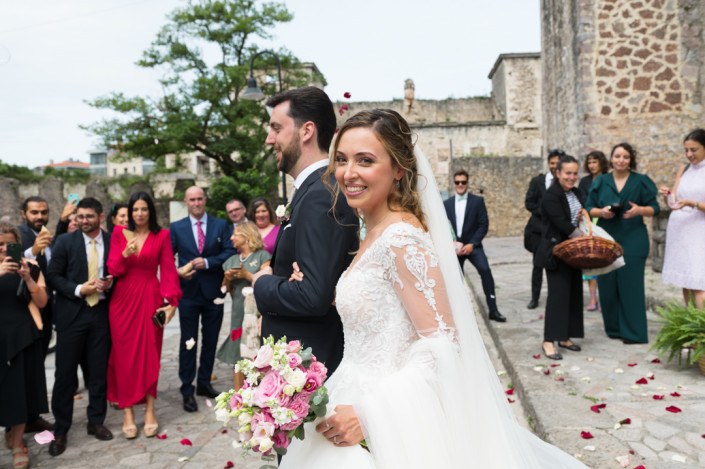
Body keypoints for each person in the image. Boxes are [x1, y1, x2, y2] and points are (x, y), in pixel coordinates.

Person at [280, 109, 586, 468]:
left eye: (365, 160)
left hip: (386, 416)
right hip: (347, 391)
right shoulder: (370, 232)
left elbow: (442, 345)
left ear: (398, 170)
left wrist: (371, 415)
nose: (349, 173)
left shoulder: (401, 239)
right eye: (343, 160)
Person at [252, 86, 358, 378]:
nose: (269, 139)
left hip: (314, 368)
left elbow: (313, 295)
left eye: (276, 128)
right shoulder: (310, 191)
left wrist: (262, 282)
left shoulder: (320, 196)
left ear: (306, 130)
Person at [107, 192, 181, 438]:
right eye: (135, 209)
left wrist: (171, 302)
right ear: (130, 212)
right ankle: (127, 412)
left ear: (151, 211)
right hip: (122, 301)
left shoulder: (162, 235)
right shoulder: (119, 233)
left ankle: (150, 409)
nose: (139, 214)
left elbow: (169, 270)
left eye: (144, 209)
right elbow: (113, 269)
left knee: (151, 353)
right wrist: (125, 254)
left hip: (150, 297)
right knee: (124, 357)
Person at [46, 198, 114, 456]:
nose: (84, 220)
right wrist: (78, 289)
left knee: (97, 373)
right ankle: (61, 429)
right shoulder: (64, 242)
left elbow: (118, 271)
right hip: (71, 316)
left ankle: (96, 421)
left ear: (100, 215)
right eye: (80, 216)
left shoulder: (112, 241)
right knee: (64, 376)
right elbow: (53, 276)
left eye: (89, 216)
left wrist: (109, 283)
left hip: (100, 315)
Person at [586, 143, 659, 344]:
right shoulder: (601, 181)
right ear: (611, 159)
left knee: (631, 285)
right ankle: (614, 329)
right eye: (617, 156)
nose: (621, 160)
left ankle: (634, 333)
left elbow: (655, 208)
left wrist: (639, 211)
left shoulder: (641, 181)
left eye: (625, 157)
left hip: (634, 237)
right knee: (607, 285)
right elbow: (588, 208)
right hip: (607, 238)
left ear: (630, 160)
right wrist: (601, 212)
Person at [170, 186, 235, 412]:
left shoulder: (220, 225)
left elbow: (229, 251)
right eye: (192, 200)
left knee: (210, 339)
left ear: (204, 200)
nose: (196, 203)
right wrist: (179, 271)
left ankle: (204, 383)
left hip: (213, 292)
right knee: (188, 341)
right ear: (185, 202)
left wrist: (207, 262)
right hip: (187, 293)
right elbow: (167, 258)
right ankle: (187, 388)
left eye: (199, 199)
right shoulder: (176, 228)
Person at [0, 222, 49, 469]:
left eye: (9, 244)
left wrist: (29, 278)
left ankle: (18, 442)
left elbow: (41, 302)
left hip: (21, 335)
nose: (3, 249)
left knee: (20, 392)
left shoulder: (29, 267)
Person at [535, 156, 585, 360]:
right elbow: (562, 223)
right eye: (568, 173)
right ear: (558, 173)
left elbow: (578, 215)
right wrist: (583, 236)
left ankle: (565, 337)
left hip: (574, 252)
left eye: (575, 173)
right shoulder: (550, 196)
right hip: (556, 251)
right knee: (558, 296)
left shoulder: (576, 192)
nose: (572, 177)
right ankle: (549, 340)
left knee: (573, 294)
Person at [443, 169, 505, 322]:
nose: (460, 185)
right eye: (457, 182)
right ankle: (457, 313)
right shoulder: (446, 204)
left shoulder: (478, 201)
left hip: (473, 246)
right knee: (454, 279)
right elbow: (444, 226)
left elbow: (483, 225)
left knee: (485, 271)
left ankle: (493, 310)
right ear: (454, 183)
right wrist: (452, 244)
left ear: (467, 183)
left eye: (463, 182)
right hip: (454, 249)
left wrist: (472, 244)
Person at [16, 197, 55, 434]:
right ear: (24, 214)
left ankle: (32, 416)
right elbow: (11, 257)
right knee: (23, 368)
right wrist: (34, 250)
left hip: (47, 307)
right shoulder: (20, 234)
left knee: (37, 365)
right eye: (34, 212)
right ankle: (19, 421)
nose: (39, 216)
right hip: (25, 310)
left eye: (43, 211)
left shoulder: (47, 233)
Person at [216, 221, 271, 389]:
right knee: (238, 355)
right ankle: (239, 395)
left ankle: (261, 392)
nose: (232, 238)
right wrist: (227, 278)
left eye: (236, 234)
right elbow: (224, 290)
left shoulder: (263, 256)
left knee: (257, 350)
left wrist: (247, 274)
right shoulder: (231, 260)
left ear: (247, 236)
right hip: (238, 312)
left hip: (257, 312)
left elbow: (267, 283)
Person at [660, 128, 705, 309]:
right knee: (686, 281)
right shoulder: (683, 169)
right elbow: (675, 202)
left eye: (694, 150)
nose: (689, 154)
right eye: (686, 150)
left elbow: (689, 202)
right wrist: (667, 195)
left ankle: (701, 331)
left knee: (699, 282)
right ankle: (690, 328)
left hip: (699, 231)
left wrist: (692, 203)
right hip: (680, 231)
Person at [524, 149, 564, 310]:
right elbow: (529, 203)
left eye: (557, 163)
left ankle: (557, 297)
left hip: (557, 231)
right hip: (538, 230)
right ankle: (535, 297)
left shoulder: (564, 183)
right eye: (552, 163)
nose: (554, 166)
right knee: (537, 265)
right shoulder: (537, 181)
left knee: (557, 265)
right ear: (549, 164)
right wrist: (546, 212)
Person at [578, 150, 609, 312]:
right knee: (591, 263)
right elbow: (582, 202)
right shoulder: (584, 182)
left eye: (594, 162)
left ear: (601, 163)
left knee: (606, 262)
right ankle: (592, 299)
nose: (591, 165)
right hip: (589, 224)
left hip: (606, 223)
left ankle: (606, 300)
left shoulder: (609, 180)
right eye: (589, 162)